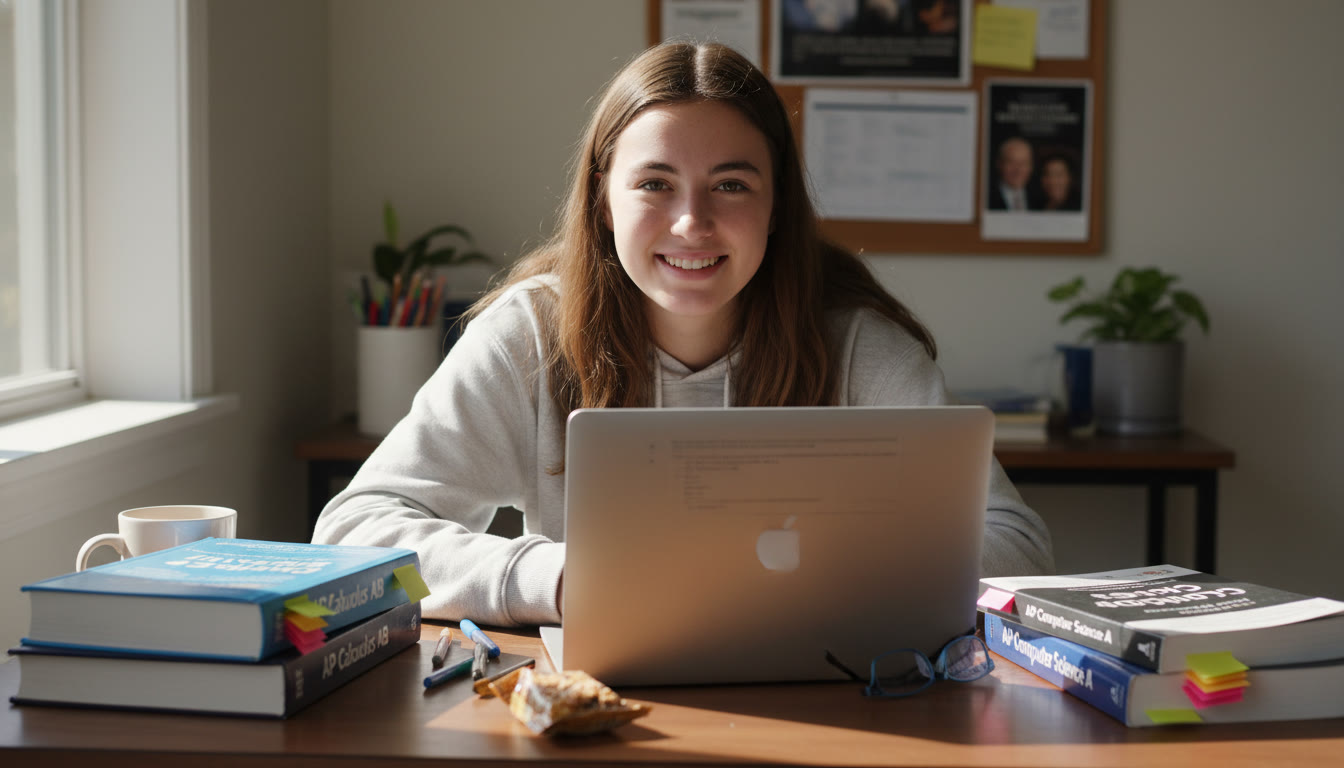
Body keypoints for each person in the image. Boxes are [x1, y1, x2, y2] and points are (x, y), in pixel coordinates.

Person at [313, 42, 1055, 627]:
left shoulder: (857, 343)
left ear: (775, 208)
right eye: (654, 183)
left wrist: (836, 572)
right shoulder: (528, 336)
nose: (692, 223)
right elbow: (352, 532)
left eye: (731, 185)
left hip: (829, 693)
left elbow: (1016, 545)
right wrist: (561, 579)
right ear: (604, 200)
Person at [988, 136, 1037, 211]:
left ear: (1031, 166)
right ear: (999, 164)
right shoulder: (986, 197)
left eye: (1024, 163)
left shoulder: (1040, 198)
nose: (1018, 170)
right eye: (1011, 162)